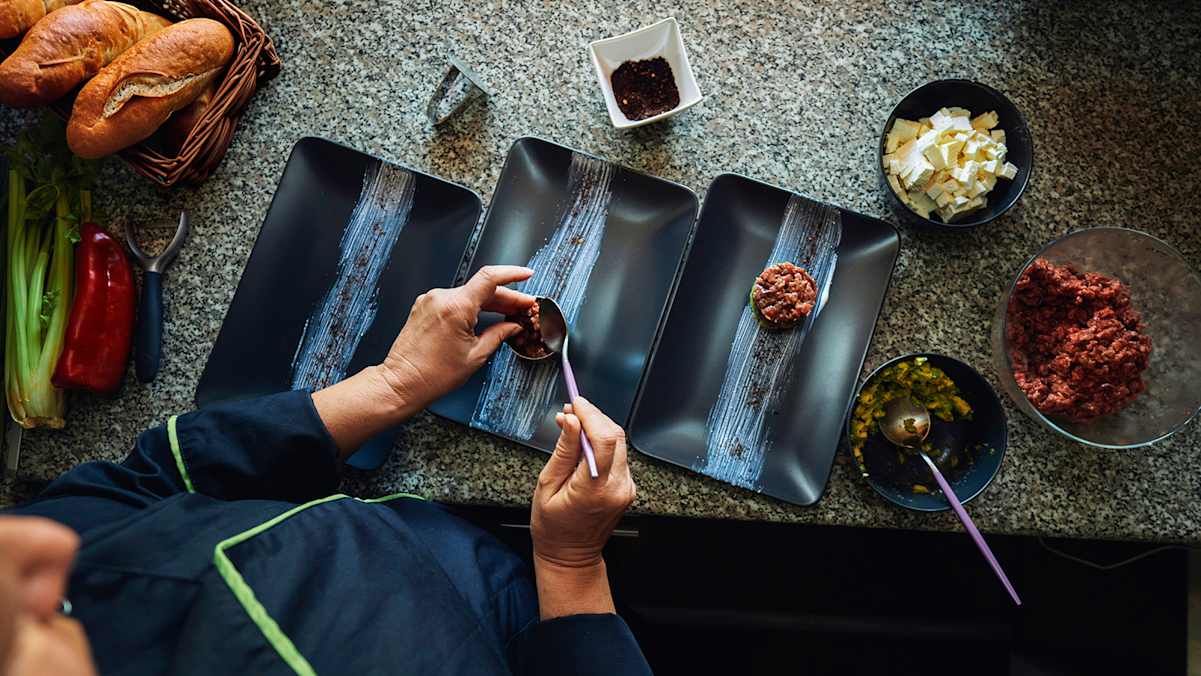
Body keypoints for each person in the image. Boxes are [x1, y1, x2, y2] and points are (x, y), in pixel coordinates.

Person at [0, 265, 650, 676]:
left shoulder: (37, 548)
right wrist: (570, 566)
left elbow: (153, 484)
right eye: (14, 634)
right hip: (531, 625)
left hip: (441, 542)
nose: (41, 538)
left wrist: (392, 387)